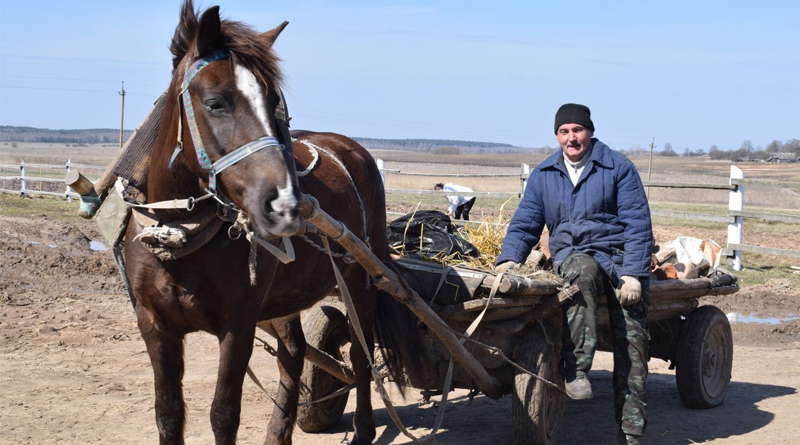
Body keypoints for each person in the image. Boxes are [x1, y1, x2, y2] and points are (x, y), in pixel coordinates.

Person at [495, 103, 653, 445]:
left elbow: (638, 223)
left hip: (619, 259)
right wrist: (508, 260)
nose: (572, 138)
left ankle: (631, 432)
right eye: (564, 132)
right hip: (574, 256)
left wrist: (634, 275)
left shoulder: (618, 167)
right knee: (579, 273)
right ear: (557, 136)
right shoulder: (544, 175)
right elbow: (525, 224)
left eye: (577, 130)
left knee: (633, 342)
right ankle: (577, 371)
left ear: (590, 132)